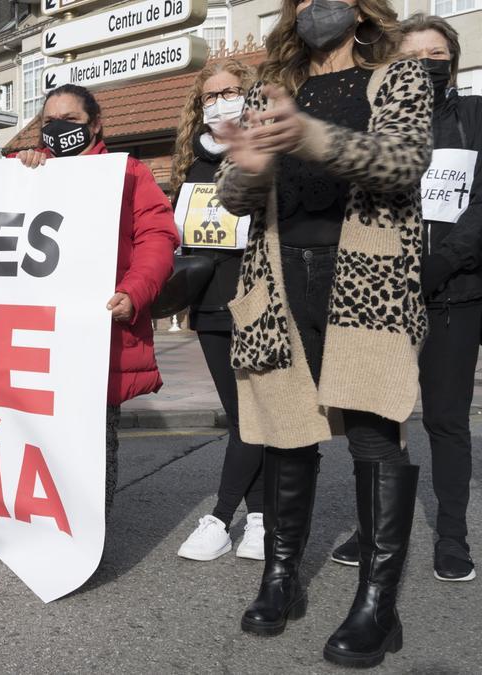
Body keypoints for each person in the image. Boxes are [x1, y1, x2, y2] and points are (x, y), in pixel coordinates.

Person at [215, 0, 432, 666]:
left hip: (366, 276)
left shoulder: (397, 77)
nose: (315, 7)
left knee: (373, 430)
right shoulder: (270, 88)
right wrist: (249, 167)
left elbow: (402, 161)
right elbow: (231, 194)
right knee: (285, 430)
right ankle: (280, 577)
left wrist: (306, 135)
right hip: (281, 276)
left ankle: (377, 605)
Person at [327, 14, 482, 584]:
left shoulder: (474, 117)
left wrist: (442, 261)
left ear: (453, 60)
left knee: (445, 420)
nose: (424, 64)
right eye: (410, 56)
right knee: (378, 418)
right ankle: (370, 531)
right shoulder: (377, 122)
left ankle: (451, 536)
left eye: (435, 54)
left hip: (453, 294)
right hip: (380, 295)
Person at [13, 84, 179, 516]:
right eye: (50, 121)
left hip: (95, 331)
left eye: (70, 120)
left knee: (92, 443)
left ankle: (88, 533)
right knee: (33, 439)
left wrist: (134, 291)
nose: (58, 129)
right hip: (34, 337)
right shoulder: (26, 171)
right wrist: (22, 170)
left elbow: (157, 238)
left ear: (96, 124)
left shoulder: (127, 173)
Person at [170, 60, 267, 563]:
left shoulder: (268, 152)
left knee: (256, 415)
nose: (221, 101)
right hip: (209, 306)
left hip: (261, 301)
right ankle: (260, 519)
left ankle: (223, 516)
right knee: (241, 416)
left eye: (232, 91)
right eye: (211, 96)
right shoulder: (192, 163)